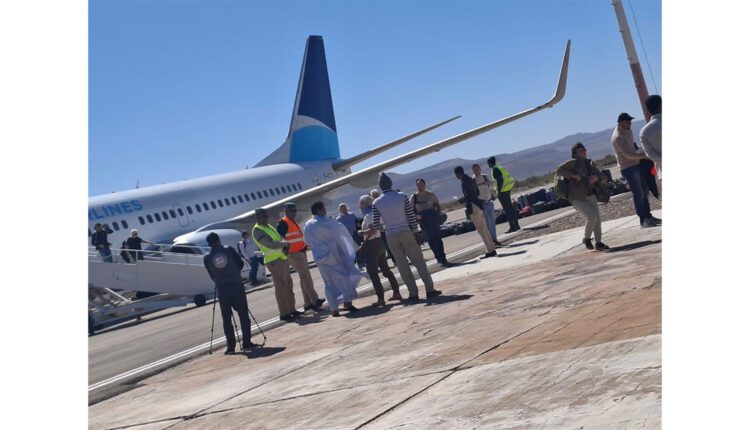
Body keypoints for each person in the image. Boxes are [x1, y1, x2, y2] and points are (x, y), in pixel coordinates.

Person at [372, 173, 442, 303]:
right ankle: (429, 289)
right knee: (419, 261)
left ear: (381, 186)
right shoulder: (402, 196)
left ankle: (413, 293)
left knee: (402, 265)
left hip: (391, 234)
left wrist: (385, 228)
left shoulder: (376, 202)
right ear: (391, 183)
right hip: (405, 230)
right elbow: (411, 216)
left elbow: (376, 224)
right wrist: (415, 231)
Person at [304, 202, 365, 316]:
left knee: (328, 283)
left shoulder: (307, 225)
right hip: (333, 256)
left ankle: (334, 309)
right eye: (323, 209)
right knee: (344, 278)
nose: (325, 211)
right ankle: (347, 303)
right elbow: (341, 234)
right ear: (319, 210)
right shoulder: (328, 222)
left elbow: (307, 241)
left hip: (319, 257)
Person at [203, 232, 255, 354]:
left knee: (226, 318)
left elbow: (211, 274)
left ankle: (230, 346)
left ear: (209, 244)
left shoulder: (207, 257)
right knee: (243, 314)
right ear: (218, 240)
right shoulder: (229, 250)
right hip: (236, 285)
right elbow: (240, 264)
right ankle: (246, 342)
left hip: (222, 289)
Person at [611, 112, 661, 228]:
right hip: (628, 167)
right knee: (638, 193)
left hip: (636, 164)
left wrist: (642, 153)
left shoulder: (627, 131)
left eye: (630, 121)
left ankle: (648, 216)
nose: (630, 123)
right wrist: (644, 156)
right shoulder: (618, 137)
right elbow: (628, 155)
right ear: (621, 122)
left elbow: (633, 148)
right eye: (627, 122)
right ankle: (644, 220)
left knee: (644, 191)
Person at [556, 143, 610, 251]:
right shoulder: (572, 163)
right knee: (592, 216)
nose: (584, 152)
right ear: (574, 154)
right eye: (580, 151)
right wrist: (573, 175)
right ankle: (586, 238)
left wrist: (597, 178)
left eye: (584, 150)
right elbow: (559, 170)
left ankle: (598, 243)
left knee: (597, 220)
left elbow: (603, 177)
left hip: (591, 195)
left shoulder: (590, 163)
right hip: (577, 198)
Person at [276, 202, 325, 311]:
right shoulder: (283, 223)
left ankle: (308, 303)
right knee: (306, 276)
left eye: (295, 211)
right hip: (293, 253)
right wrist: (287, 250)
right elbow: (280, 238)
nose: (294, 213)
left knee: (304, 277)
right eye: (291, 211)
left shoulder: (292, 221)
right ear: (285, 211)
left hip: (300, 252)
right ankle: (315, 299)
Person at [251, 208, 298, 322]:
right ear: (258, 218)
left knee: (288, 285)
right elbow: (269, 243)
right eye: (263, 216)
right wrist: (284, 244)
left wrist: (284, 243)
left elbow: (279, 237)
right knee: (281, 287)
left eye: (266, 216)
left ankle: (292, 310)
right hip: (274, 261)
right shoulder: (257, 230)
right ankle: (284, 313)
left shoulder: (268, 226)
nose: (266, 218)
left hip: (281, 258)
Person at [358, 194, 402, 305]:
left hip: (372, 245)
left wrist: (361, 232)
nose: (360, 206)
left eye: (361, 204)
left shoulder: (369, 216)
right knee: (386, 270)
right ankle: (396, 292)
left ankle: (381, 298)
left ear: (364, 204)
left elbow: (372, 230)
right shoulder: (377, 213)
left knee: (373, 273)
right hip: (380, 242)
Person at [455, 166, 497, 259]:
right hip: (479, 205)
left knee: (481, 230)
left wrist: (461, 200)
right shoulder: (470, 179)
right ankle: (491, 248)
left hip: (473, 207)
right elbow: (477, 192)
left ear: (457, 174)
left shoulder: (464, 182)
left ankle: (490, 250)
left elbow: (468, 196)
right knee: (485, 228)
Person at [410, 178, 449, 266]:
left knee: (438, 239)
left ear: (425, 185)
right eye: (418, 185)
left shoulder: (431, 195)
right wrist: (416, 216)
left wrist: (437, 214)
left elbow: (438, 205)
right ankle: (438, 257)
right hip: (423, 222)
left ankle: (443, 257)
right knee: (430, 240)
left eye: (421, 185)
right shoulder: (414, 197)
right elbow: (410, 211)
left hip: (433, 220)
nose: (420, 187)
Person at [486, 156, 520, 233]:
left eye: (488, 163)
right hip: (507, 188)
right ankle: (516, 225)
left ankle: (513, 226)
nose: (488, 165)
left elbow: (500, 180)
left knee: (507, 209)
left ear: (490, 163)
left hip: (503, 191)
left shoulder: (495, 169)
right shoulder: (499, 167)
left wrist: (499, 191)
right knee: (510, 208)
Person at [472, 164, 501, 246]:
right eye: (475, 170)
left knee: (492, 221)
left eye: (477, 169)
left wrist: (489, 184)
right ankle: (491, 240)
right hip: (482, 203)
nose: (476, 171)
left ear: (480, 169)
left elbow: (492, 186)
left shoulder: (485, 177)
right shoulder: (473, 180)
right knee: (487, 222)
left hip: (489, 201)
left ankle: (495, 238)